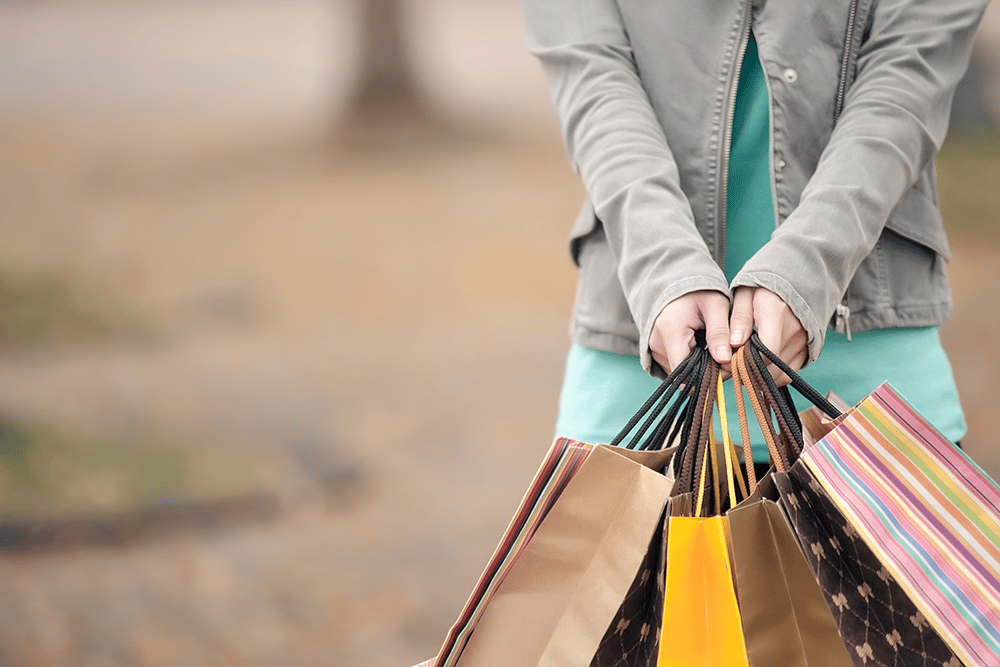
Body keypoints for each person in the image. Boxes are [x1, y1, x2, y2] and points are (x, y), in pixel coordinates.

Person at [523, 0, 988, 461]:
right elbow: (593, 77)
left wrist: (804, 270)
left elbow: (905, 82)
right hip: (639, 375)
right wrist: (664, 269)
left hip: (869, 370)